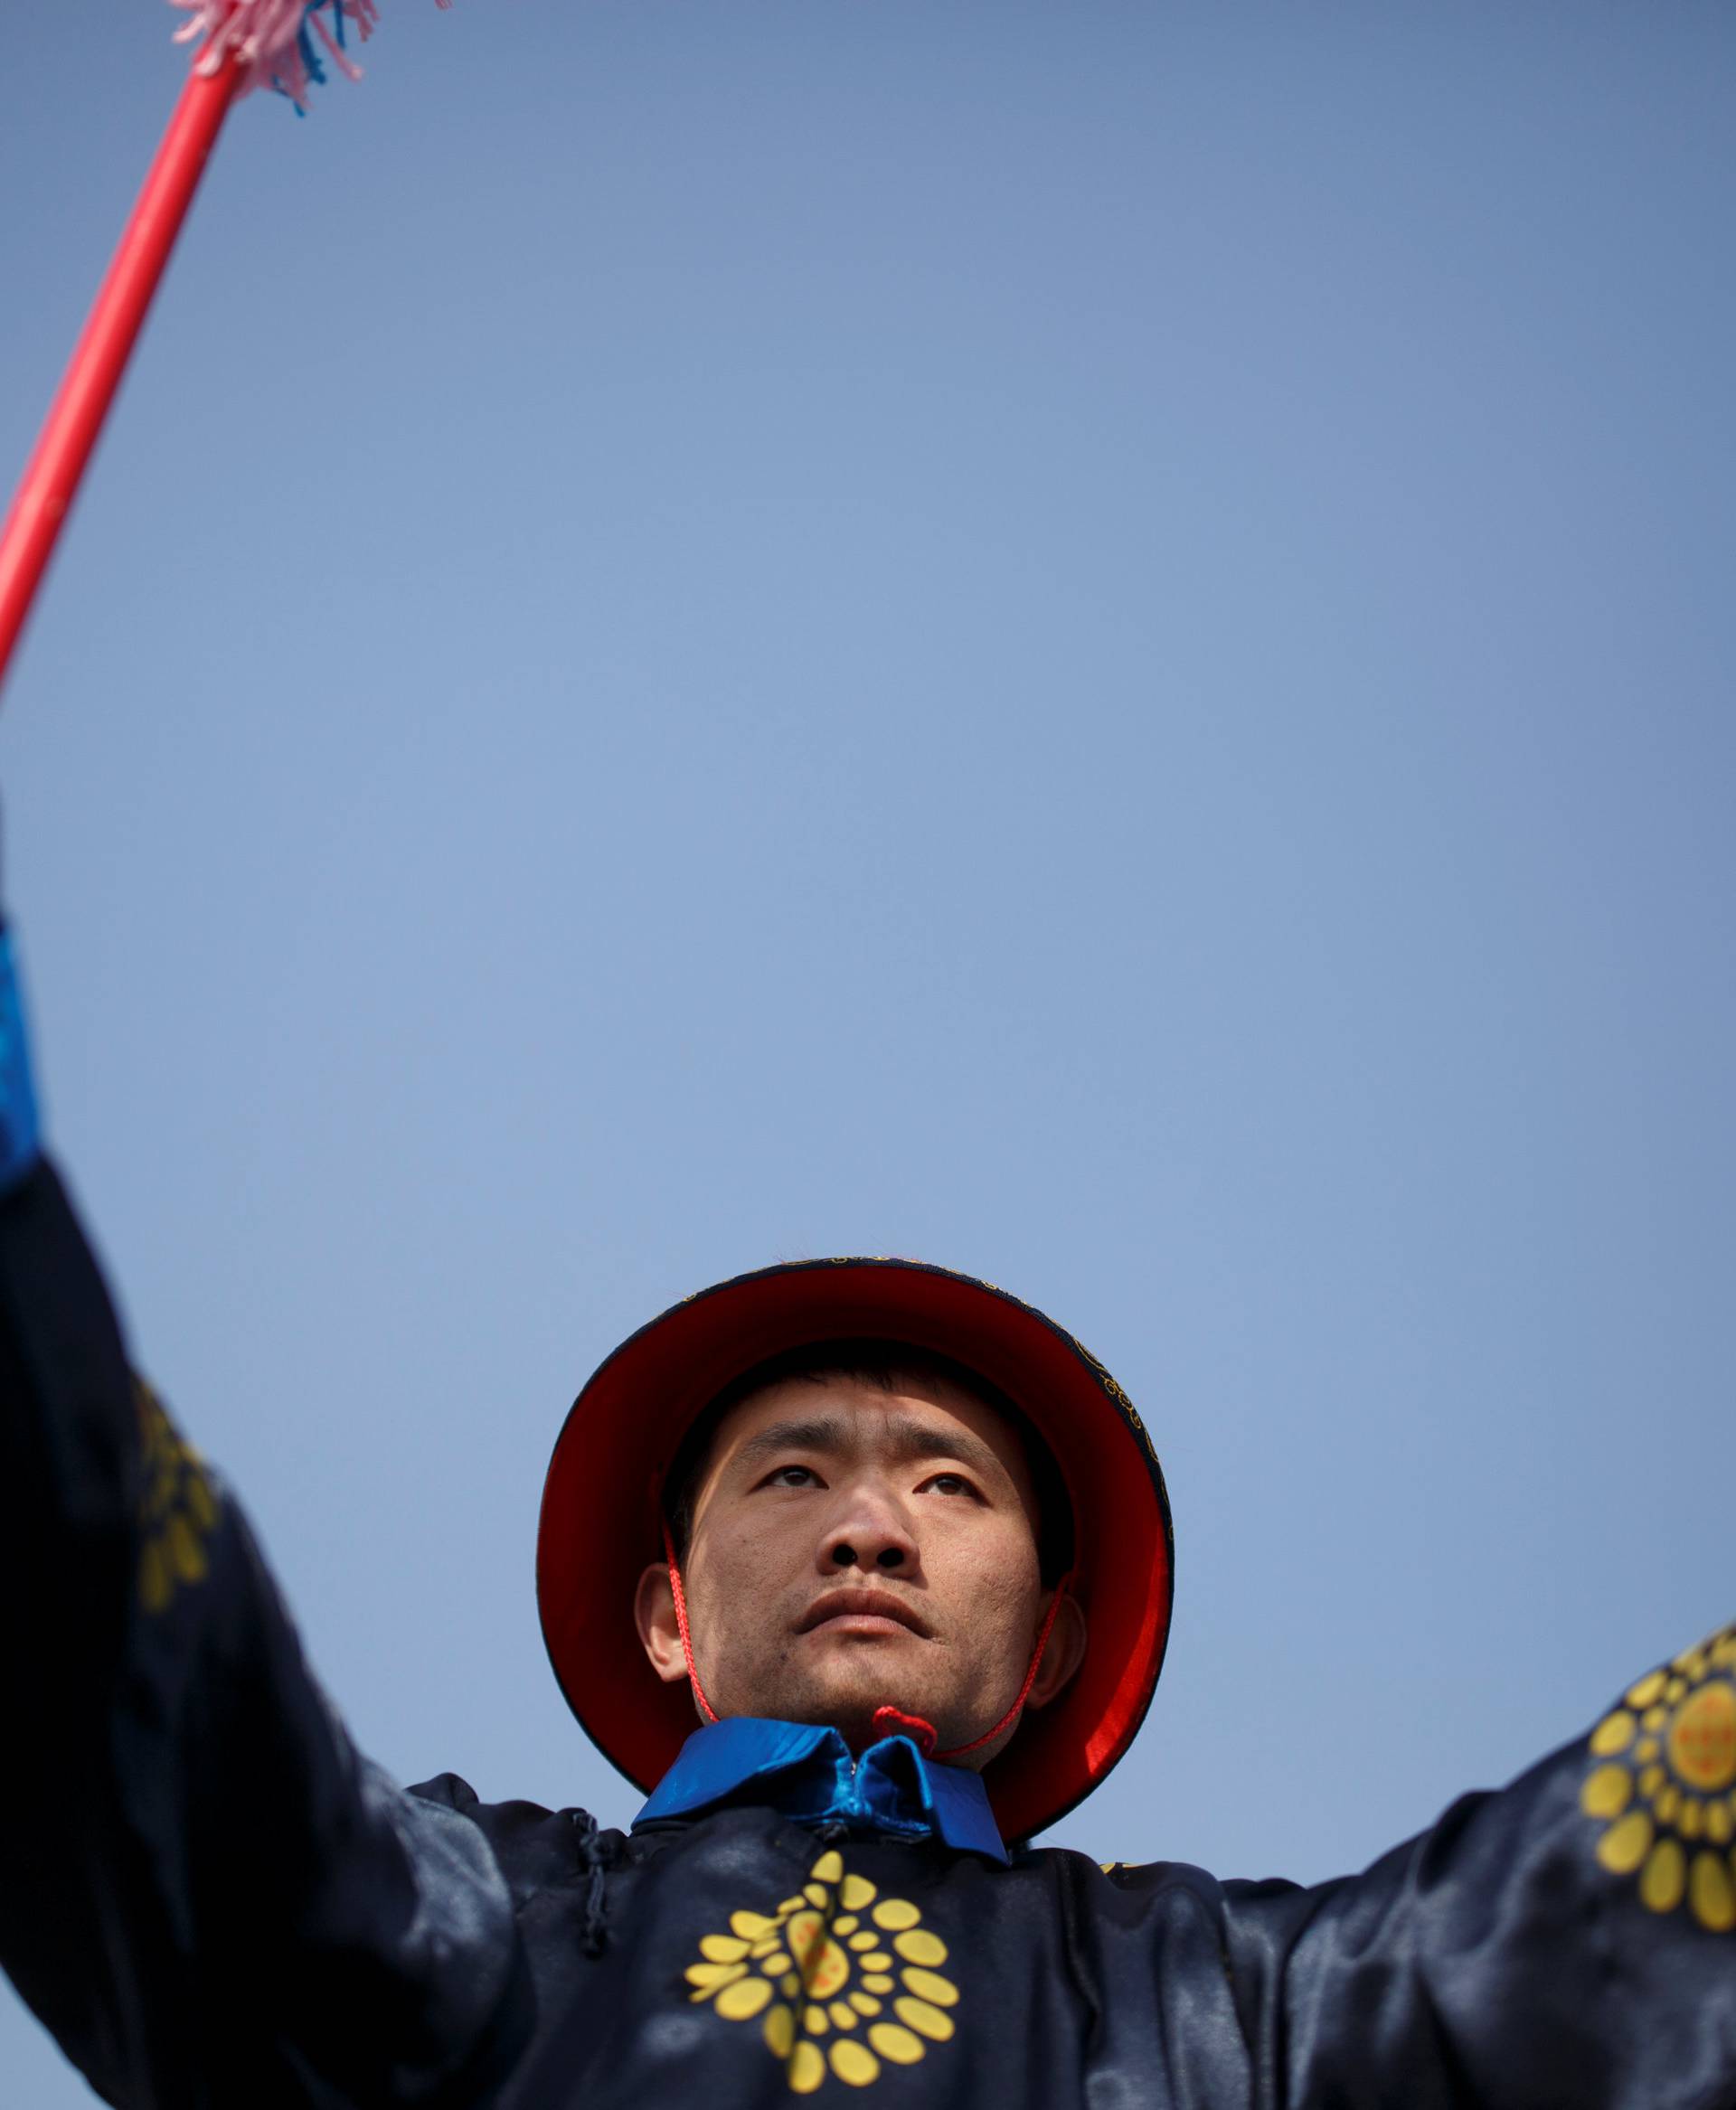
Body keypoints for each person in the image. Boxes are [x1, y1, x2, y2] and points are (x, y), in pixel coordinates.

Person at [2, 900, 1733, 2110]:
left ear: (1055, 1638)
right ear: (668, 1609)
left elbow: (1548, 1943)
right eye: (792, 1471)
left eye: (948, 1483)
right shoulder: (487, 1930)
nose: (871, 1526)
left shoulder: (1209, 2006)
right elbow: (178, 1744)